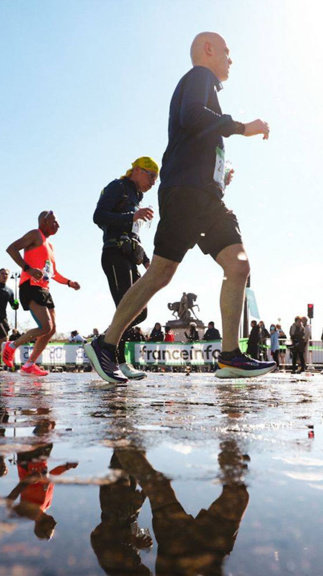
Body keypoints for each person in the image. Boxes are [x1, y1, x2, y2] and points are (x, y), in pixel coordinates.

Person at [85, 31, 274, 383]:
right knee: (161, 273)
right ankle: (106, 344)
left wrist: (218, 177)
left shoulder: (205, 87)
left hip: (205, 195)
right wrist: (242, 127)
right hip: (186, 193)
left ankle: (231, 355)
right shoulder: (199, 77)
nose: (231, 60)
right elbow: (192, 117)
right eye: (227, 52)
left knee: (236, 265)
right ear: (208, 50)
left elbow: (197, 133)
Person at [93, 156, 158, 380]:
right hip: (114, 253)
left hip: (131, 257)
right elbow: (98, 216)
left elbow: (134, 234)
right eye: (151, 176)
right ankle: (116, 360)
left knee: (140, 311)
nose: (153, 182)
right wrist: (133, 215)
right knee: (125, 308)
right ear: (138, 170)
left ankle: (104, 345)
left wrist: (147, 260)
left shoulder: (136, 197)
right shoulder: (118, 186)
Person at [1, 211, 80, 377]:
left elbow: (54, 272)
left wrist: (69, 282)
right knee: (45, 326)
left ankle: (29, 364)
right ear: (44, 221)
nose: (58, 225)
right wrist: (28, 269)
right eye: (55, 222)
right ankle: (12, 346)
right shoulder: (35, 234)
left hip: (45, 289)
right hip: (30, 286)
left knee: (51, 330)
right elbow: (11, 249)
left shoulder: (50, 245)